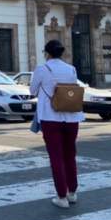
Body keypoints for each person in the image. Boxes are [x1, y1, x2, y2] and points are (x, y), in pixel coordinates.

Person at [29, 39, 84, 209]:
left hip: (51, 117)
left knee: (56, 157)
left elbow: (32, 91)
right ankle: (72, 192)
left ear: (47, 53)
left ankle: (61, 196)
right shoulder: (71, 69)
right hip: (71, 116)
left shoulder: (42, 69)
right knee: (70, 154)